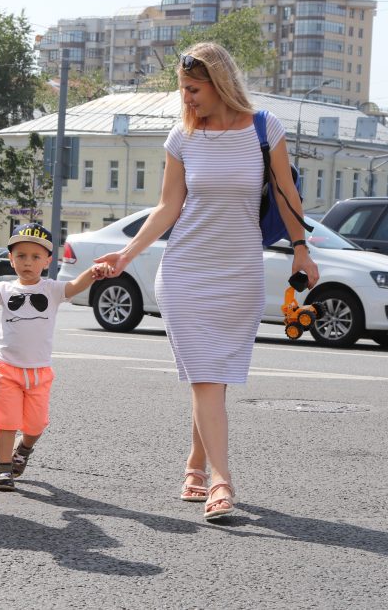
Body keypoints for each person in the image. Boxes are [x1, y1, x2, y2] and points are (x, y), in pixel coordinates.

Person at [95, 43, 319, 522]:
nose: (187, 99)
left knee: (213, 378)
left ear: (219, 84)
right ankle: (221, 480)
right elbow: (168, 207)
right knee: (204, 375)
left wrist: (302, 248)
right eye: (183, 90)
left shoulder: (264, 128)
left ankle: (195, 464)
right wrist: (127, 253)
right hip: (185, 271)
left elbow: (286, 195)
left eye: (193, 90)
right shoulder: (182, 137)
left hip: (239, 272)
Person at [0, 223, 108, 491]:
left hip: (39, 373)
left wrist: (92, 273)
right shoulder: (3, 289)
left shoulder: (52, 289)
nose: (28, 262)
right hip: (6, 370)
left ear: (47, 261)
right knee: (6, 422)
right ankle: (3, 469)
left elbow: (73, 287)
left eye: (36, 257)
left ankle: (22, 450)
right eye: (21, 256)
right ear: (11, 260)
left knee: (35, 426)